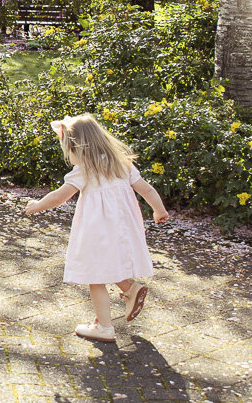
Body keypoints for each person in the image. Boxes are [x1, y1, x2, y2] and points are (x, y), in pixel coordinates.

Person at [25, 113, 170, 342]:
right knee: (108, 266)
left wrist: (37, 205)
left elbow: (59, 197)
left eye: (68, 149)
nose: (68, 155)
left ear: (78, 147)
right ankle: (130, 291)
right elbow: (147, 190)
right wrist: (159, 210)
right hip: (123, 229)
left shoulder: (85, 170)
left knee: (95, 276)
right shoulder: (122, 165)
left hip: (96, 229)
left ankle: (104, 327)